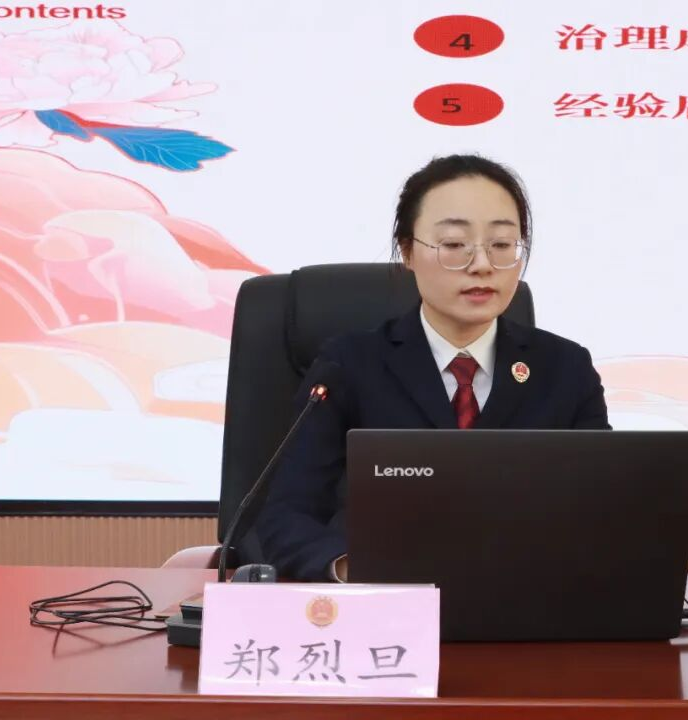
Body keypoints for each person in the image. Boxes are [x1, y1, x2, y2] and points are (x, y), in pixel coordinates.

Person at [257, 154, 610, 581]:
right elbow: (286, 514)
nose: (482, 265)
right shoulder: (347, 365)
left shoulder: (566, 369)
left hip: (527, 596)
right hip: (384, 603)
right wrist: (356, 571)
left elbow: (603, 509)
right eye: (454, 245)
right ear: (408, 251)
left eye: (501, 245)